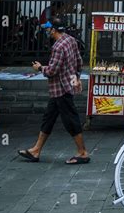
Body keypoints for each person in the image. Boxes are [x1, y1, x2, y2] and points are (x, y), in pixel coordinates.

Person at [17, 17, 90, 165]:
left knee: (71, 121)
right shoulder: (71, 40)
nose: (47, 31)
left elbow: (52, 71)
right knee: (48, 119)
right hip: (62, 88)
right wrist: (76, 77)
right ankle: (36, 150)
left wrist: (39, 68)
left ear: (54, 30)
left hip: (61, 89)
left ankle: (82, 153)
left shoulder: (58, 47)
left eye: (48, 29)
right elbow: (79, 61)